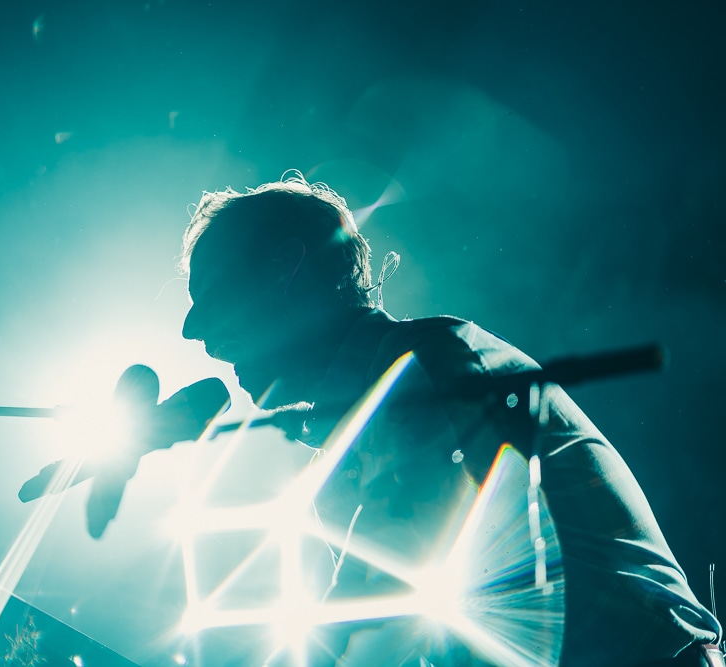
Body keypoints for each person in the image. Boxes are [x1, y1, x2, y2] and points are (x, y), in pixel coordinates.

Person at [178, 173, 722, 666]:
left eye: (213, 291)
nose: (192, 330)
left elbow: (394, 579)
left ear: (282, 267)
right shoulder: (344, 453)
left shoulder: (432, 360)